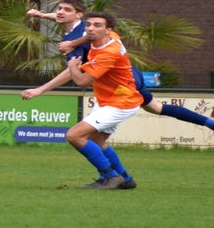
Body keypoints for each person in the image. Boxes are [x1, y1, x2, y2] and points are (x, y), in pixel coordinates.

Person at [30, 0, 214, 145]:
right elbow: (65, 20)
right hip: (129, 73)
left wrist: (41, 89)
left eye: (66, 9)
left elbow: (73, 71)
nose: (60, 12)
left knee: (95, 139)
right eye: (59, 9)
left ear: (79, 15)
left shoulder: (84, 34)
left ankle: (115, 175)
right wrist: (42, 15)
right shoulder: (88, 25)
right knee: (155, 107)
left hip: (120, 82)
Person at [22, 12, 141, 189]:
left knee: (74, 135)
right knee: (96, 141)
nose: (91, 28)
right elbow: (86, 36)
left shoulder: (108, 53)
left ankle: (110, 177)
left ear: (108, 30)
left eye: (97, 25)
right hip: (111, 99)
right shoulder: (110, 38)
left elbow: (82, 81)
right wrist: (43, 16)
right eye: (88, 25)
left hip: (120, 103)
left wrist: (72, 66)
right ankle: (125, 178)